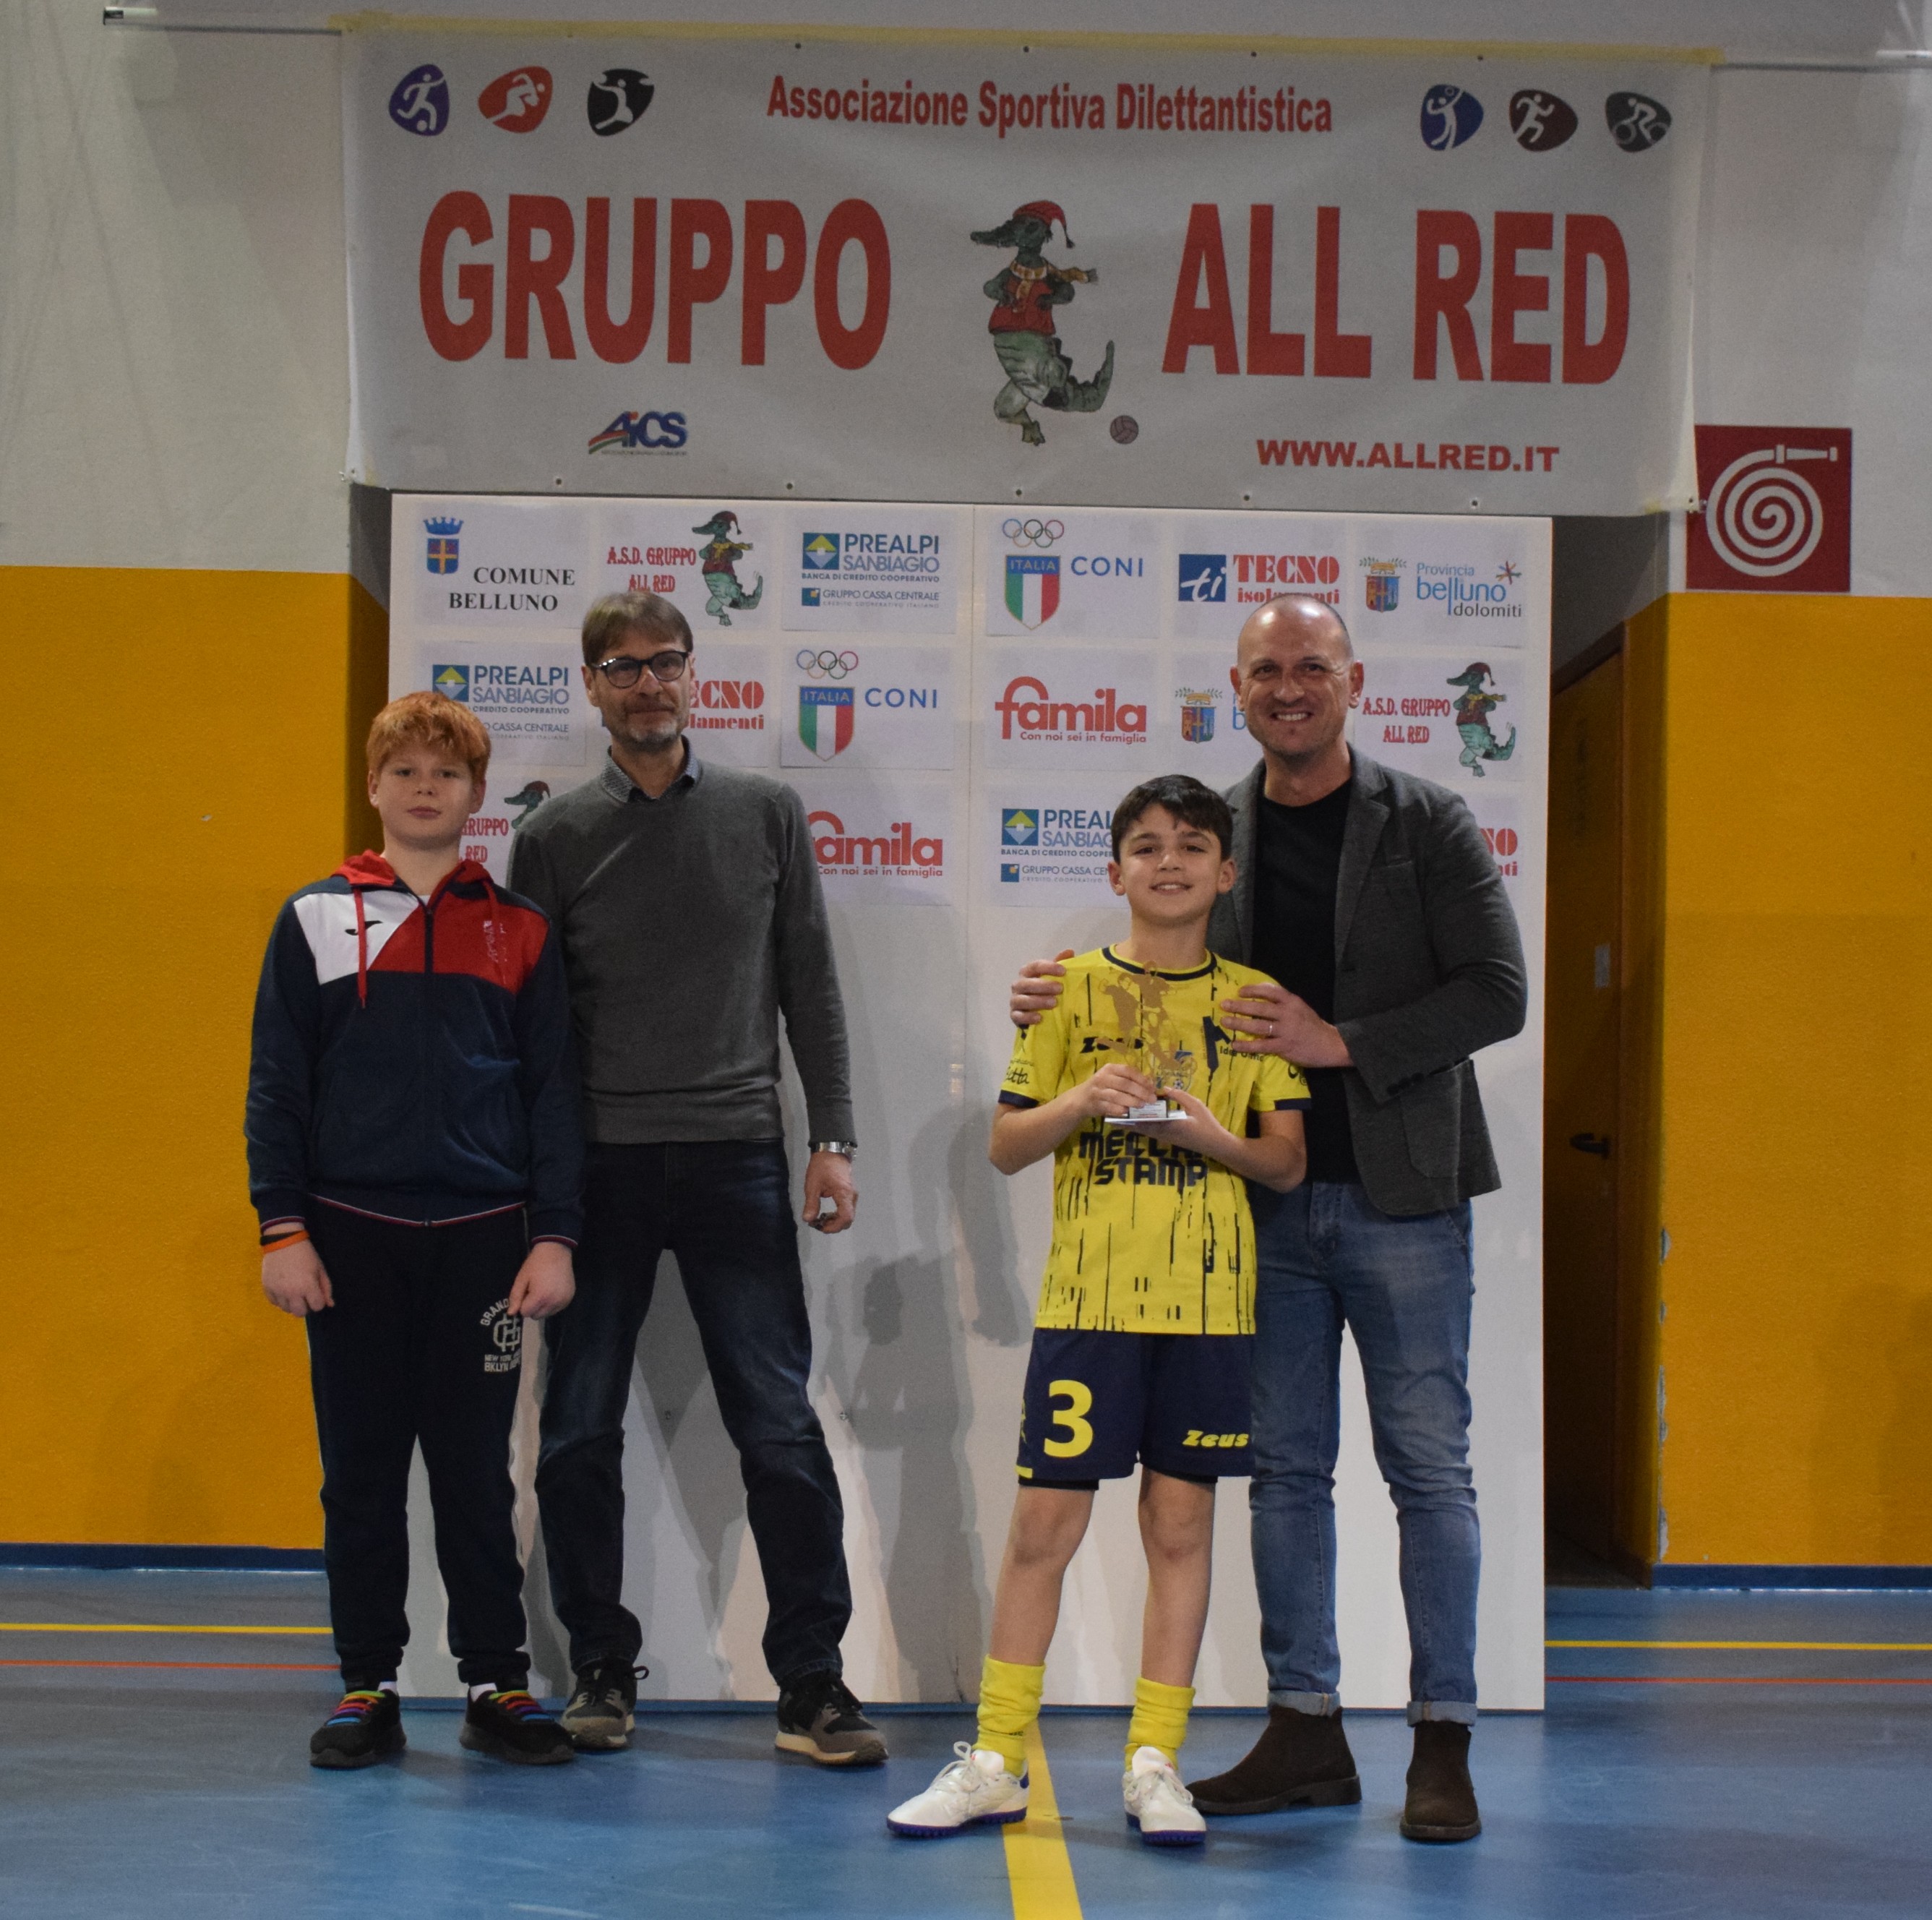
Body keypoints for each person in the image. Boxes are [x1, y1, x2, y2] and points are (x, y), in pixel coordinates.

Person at [1009, 596, 1527, 1843]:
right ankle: (1305, 1729)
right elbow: (1165, 966)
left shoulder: (1429, 820)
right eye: (1264, 671)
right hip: (1257, 1205)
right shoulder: (1219, 829)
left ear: (1353, 681)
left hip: (1405, 1196)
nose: (1288, 688)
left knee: (1427, 1471)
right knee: (1287, 1475)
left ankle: (1442, 1740)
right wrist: (1057, 991)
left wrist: (1338, 1041)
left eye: (1310, 667)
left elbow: (1497, 991)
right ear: (1234, 689)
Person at [889, 775, 1309, 1846]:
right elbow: (1004, 1145)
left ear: (1226, 871)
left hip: (1209, 1309)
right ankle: (996, 1759)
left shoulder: (1255, 999)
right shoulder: (1064, 991)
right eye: (1147, 845)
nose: (1169, 862)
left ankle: (1154, 1763)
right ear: (1115, 870)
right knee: (1044, 1526)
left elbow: (1284, 1163)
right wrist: (1082, 1100)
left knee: (1180, 1528)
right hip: (1090, 1303)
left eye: (1192, 845)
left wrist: (1204, 1135)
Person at [508, 590, 882, 1765]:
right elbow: (532, 1030)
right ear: (592, 686)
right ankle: (600, 1667)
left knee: (777, 1428)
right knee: (576, 1433)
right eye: (623, 667)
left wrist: (834, 1136)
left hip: (736, 1160)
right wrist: (540, 1192)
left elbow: (810, 984)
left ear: (692, 673)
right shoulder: (551, 836)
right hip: (598, 1171)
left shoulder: (766, 812)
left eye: (665, 662)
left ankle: (811, 1683)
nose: (648, 684)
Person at [246, 691, 583, 1770]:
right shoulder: (313, 918)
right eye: (406, 771)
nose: (425, 788)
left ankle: (495, 1684)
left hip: (486, 1237)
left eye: (446, 773)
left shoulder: (519, 928)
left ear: (478, 794)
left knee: (477, 1473)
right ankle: (367, 1686)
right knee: (361, 1473)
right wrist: (282, 1228)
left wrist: (554, 1235)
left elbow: (552, 1095)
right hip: (349, 1238)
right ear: (374, 786)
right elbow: (277, 1086)